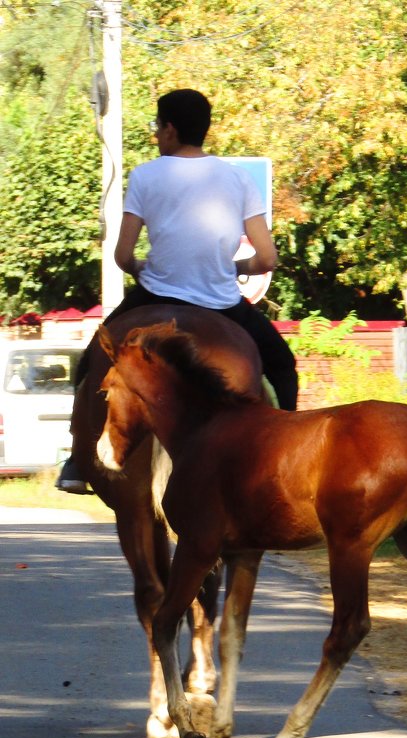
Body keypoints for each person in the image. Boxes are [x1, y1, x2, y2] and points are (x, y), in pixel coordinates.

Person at [57, 88, 298, 493]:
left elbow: (122, 253)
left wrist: (138, 268)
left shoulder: (147, 174)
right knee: (281, 367)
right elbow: (267, 259)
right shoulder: (237, 178)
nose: (155, 136)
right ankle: (284, 461)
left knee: (89, 365)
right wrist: (232, 267)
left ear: (170, 128)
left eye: (156, 127)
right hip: (222, 305)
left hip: (156, 297)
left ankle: (78, 460)